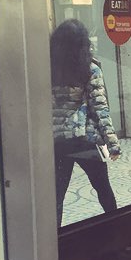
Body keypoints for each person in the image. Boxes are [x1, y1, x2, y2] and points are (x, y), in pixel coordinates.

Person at [50, 19, 121, 225]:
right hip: (85, 142)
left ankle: (56, 241)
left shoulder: (47, 70)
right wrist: (112, 143)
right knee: (103, 189)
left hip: (58, 143)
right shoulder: (90, 69)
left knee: (57, 197)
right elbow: (100, 109)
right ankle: (117, 229)